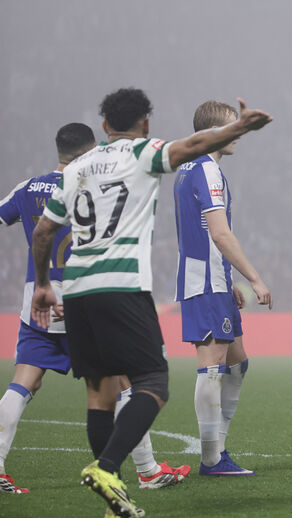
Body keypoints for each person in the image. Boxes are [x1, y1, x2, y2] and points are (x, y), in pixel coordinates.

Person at [31, 88, 272, 517]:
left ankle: (113, 495)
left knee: (101, 394)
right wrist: (240, 125)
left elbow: (43, 232)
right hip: (121, 284)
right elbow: (195, 144)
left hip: (78, 290)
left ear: (104, 126)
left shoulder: (76, 167)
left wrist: (44, 283)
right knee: (154, 383)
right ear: (146, 123)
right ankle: (110, 467)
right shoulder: (145, 153)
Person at [0, 123, 189, 495]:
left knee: (23, 383)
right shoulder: (89, 182)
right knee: (125, 384)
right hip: (88, 299)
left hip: (38, 304)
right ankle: (147, 470)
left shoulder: (28, 188)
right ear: (90, 151)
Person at [174, 101, 273, 476]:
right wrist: (253, 277)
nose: (240, 134)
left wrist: (229, 279)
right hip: (205, 281)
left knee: (236, 363)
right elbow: (219, 232)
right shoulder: (207, 170)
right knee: (212, 366)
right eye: (235, 127)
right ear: (216, 131)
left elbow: (200, 232)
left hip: (213, 279)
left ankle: (218, 449)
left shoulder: (186, 169)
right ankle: (212, 459)